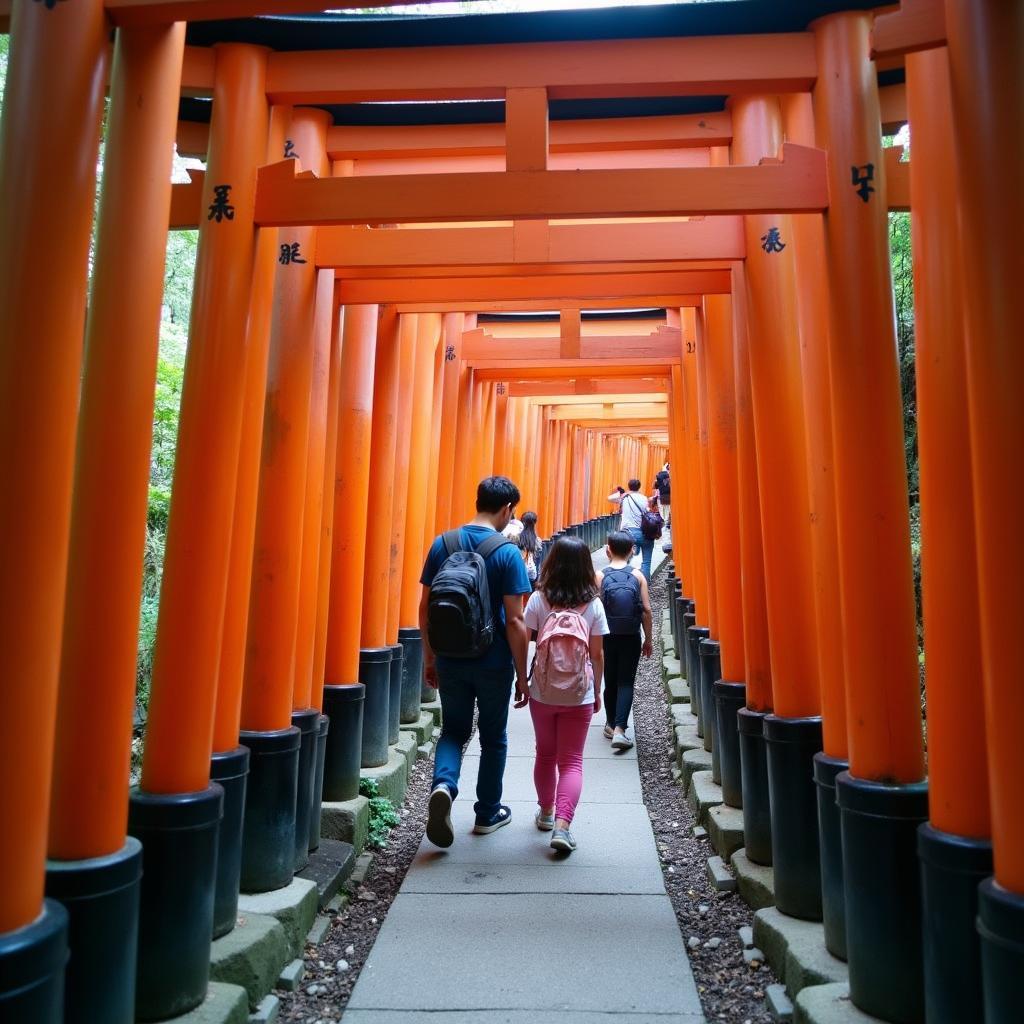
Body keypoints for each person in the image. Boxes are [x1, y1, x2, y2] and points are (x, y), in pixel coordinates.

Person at [419, 476, 532, 847]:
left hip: (450, 656)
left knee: (453, 730)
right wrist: (522, 673)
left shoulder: (443, 544)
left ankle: (444, 786)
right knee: (493, 737)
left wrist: (430, 657)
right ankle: (486, 813)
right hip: (493, 659)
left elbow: (426, 608)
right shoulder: (506, 552)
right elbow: (516, 620)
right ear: (507, 509)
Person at [523, 535, 608, 853]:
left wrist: (522, 679)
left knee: (545, 754)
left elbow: (526, 638)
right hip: (578, 693)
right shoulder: (594, 605)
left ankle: (546, 812)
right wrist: (596, 689)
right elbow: (597, 655)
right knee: (571, 761)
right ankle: (563, 825)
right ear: (587, 567)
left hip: (543, 692)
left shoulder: (539, 599)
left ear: (552, 563)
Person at [597, 531, 653, 749]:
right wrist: (648, 639)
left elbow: (595, 609)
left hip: (607, 635)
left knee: (609, 680)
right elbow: (646, 610)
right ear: (632, 550)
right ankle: (621, 729)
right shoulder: (638, 576)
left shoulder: (600, 575)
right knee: (626, 681)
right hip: (631, 635)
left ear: (607, 550)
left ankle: (611, 724)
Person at [616, 478, 656, 580]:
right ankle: (645, 584)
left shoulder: (624, 498)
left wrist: (622, 493)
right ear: (639, 487)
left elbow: (609, 498)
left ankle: (623, 580)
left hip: (629, 533)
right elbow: (647, 511)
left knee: (624, 559)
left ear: (629, 486)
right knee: (646, 562)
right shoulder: (644, 498)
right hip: (646, 532)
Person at [515, 510, 543, 590]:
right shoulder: (537, 540)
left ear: (522, 522)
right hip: (531, 574)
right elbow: (537, 562)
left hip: (519, 572)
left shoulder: (516, 538)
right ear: (534, 523)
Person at [653, 462, 671, 528]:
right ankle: (666, 521)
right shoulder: (669, 476)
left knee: (662, 509)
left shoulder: (659, 476)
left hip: (661, 494)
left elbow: (655, 487)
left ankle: (664, 520)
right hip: (668, 494)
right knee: (667, 509)